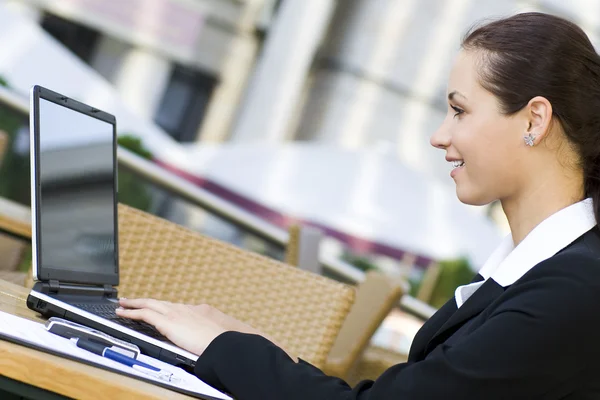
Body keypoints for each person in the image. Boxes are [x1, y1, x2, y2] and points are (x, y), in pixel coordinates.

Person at [116, 12, 600, 399]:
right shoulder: (544, 275)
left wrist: (227, 348)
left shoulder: (571, 291)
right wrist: (243, 345)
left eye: (459, 110)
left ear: (534, 120)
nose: (439, 136)